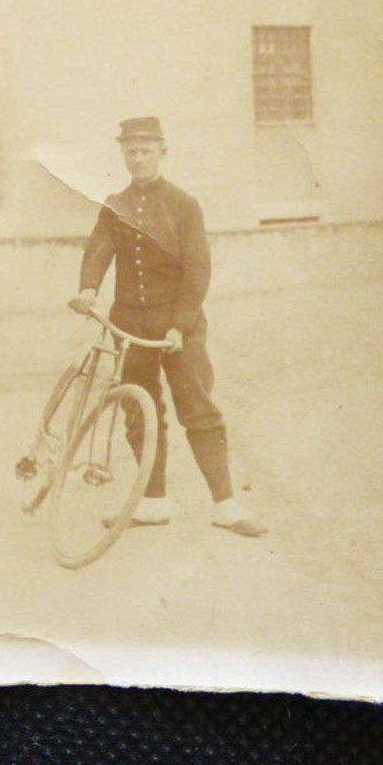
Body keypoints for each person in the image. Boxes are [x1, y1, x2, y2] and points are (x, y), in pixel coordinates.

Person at [70, 117, 266, 538]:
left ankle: (225, 506)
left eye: (145, 151)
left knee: (197, 408)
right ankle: (153, 502)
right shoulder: (114, 203)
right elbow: (99, 249)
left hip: (178, 324)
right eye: (130, 152)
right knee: (139, 410)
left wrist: (179, 325)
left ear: (162, 151)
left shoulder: (183, 204)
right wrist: (88, 289)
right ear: (123, 155)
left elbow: (197, 270)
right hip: (129, 323)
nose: (137, 159)